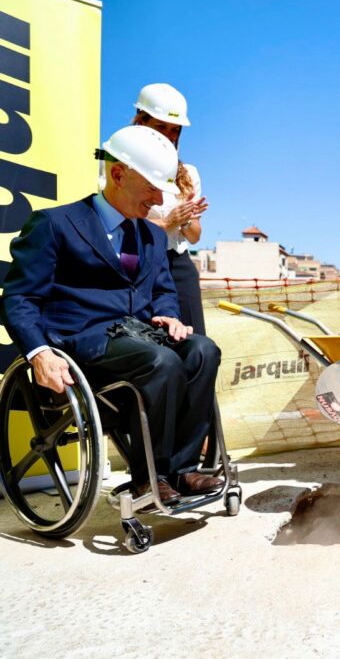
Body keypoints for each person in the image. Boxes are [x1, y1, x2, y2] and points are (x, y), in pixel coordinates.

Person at [0, 125, 224, 504]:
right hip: (82, 342)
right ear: (118, 174)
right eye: (152, 188)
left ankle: (181, 471)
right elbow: (18, 297)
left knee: (203, 350)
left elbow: (163, 289)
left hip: (137, 336)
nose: (158, 200)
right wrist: (39, 353)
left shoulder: (152, 236)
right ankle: (146, 479)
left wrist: (169, 315)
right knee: (162, 360)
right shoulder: (55, 224)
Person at [131, 83, 209, 334]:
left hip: (178, 264)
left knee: (194, 340)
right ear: (140, 122)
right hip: (135, 261)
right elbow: (119, 226)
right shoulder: (117, 166)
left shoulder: (189, 174)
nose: (168, 135)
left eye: (174, 129)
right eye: (160, 126)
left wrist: (186, 219)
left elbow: (195, 237)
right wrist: (169, 222)